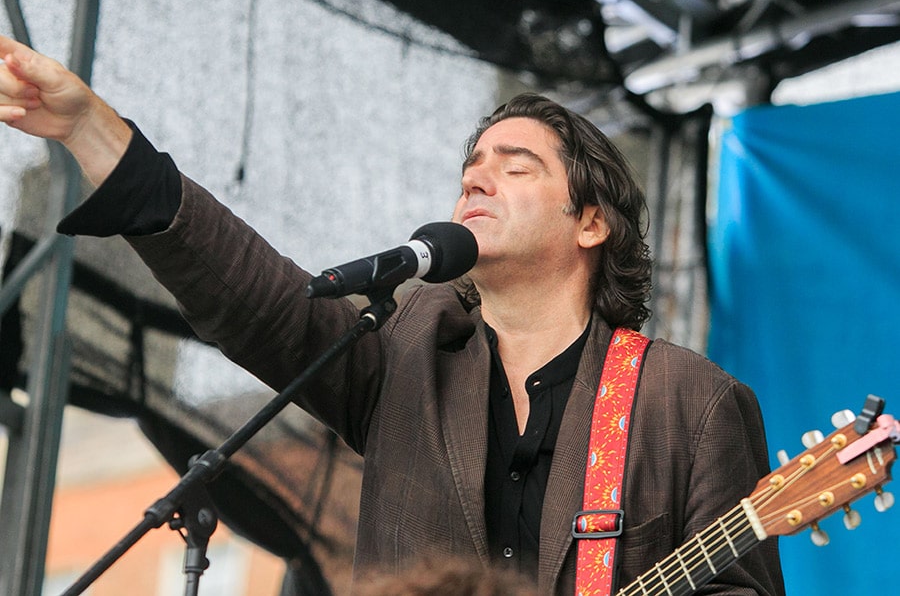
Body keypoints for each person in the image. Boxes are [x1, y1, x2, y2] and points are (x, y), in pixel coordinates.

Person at [0, 35, 784, 595]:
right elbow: (252, 296)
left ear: (591, 223)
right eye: (470, 170)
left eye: (515, 168)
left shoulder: (690, 402)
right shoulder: (408, 356)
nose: (476, 182)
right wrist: (88, 128)